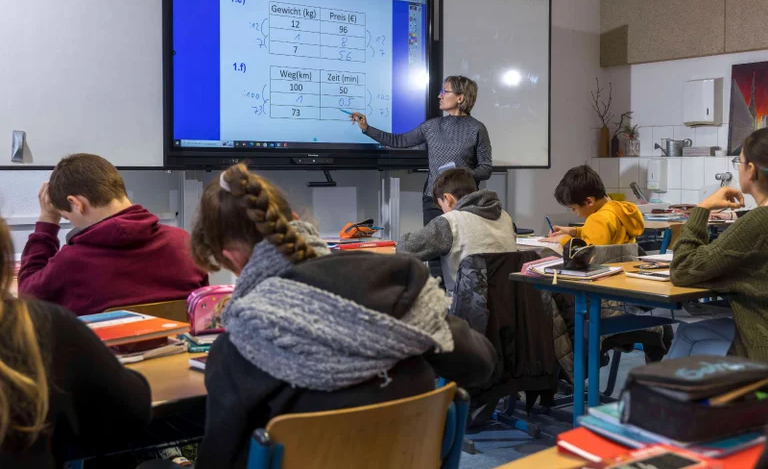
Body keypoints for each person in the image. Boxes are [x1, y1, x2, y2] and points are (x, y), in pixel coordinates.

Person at [189, 163, 496, 469]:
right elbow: (480, 364)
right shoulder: (395, 291)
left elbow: (218, 460)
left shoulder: (244, 342)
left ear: (231, 256)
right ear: (295, 221)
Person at [0, 217, 152, 467]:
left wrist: (46, 224)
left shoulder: (70, 262)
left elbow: (29, 288)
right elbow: (132, 411)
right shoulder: (43, 324)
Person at [18, 154, 208, 315]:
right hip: (179, 356)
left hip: (103, 358)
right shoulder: (183, 242)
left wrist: (47, 221)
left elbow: (28, 298)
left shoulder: (72, 262)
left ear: (76, 204)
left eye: (67, 217)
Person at [350, 76, 492, 278]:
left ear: (460, 98)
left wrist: (464, 173)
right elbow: (397, 141)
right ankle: (439, 299)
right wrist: (366, 128)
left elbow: (486, 168)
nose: (439, 95)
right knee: (434, 255)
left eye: (445, 91)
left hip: (465, 203)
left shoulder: (477, 128)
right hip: (433, 200)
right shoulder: (431, 126)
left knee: (464, 252)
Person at [668, 128, 768, 361]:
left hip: (760, 351)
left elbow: (682, 270)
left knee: (690, 335)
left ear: (751, 170)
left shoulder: (759, 222)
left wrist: (701, 210)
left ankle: (658, 395)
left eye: (739, 162)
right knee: (690, 331)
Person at [397, 167, 517, 293]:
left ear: (447, 199)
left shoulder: (450, 222)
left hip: (462, 307)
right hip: (506, 305)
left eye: (441, 206)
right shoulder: (505, 217)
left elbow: (405, 249)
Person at [544, 165, 644, 247]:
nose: (574, 212)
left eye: (574, 208)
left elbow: (587, 255)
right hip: (624, 267)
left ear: (589, 202)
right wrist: (573, 231)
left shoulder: (597, 219)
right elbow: (603, 232)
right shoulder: (618, 210)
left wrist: (564, 239)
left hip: (603, 269)